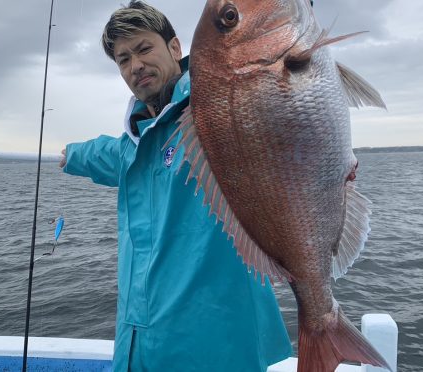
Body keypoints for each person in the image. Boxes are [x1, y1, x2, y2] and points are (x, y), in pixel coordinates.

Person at [59, 1, 292, 371]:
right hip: (137, 347)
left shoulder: (216, 108)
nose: (135, 65)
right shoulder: (132, 146)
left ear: (175, 48)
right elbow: (103, 152)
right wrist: (69, 154)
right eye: (123, 59)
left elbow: (272, 31)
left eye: (143, 48)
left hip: (217, 348)